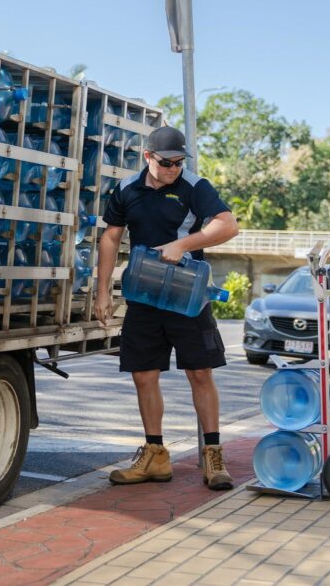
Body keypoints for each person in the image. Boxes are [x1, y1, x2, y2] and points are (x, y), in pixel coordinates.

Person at [94, 125, 239, 490]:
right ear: (147, 157)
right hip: (144, 295)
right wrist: (102, 291)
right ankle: (155, 456)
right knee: (144, 374)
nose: (173, 168)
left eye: (178, 161)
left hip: (187, 296)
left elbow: (228, 225)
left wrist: (184, 245)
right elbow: (111, 237)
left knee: (200, 372)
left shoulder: (194, 186)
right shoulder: (128, 188)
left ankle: (213, 456)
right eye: (166, 162)